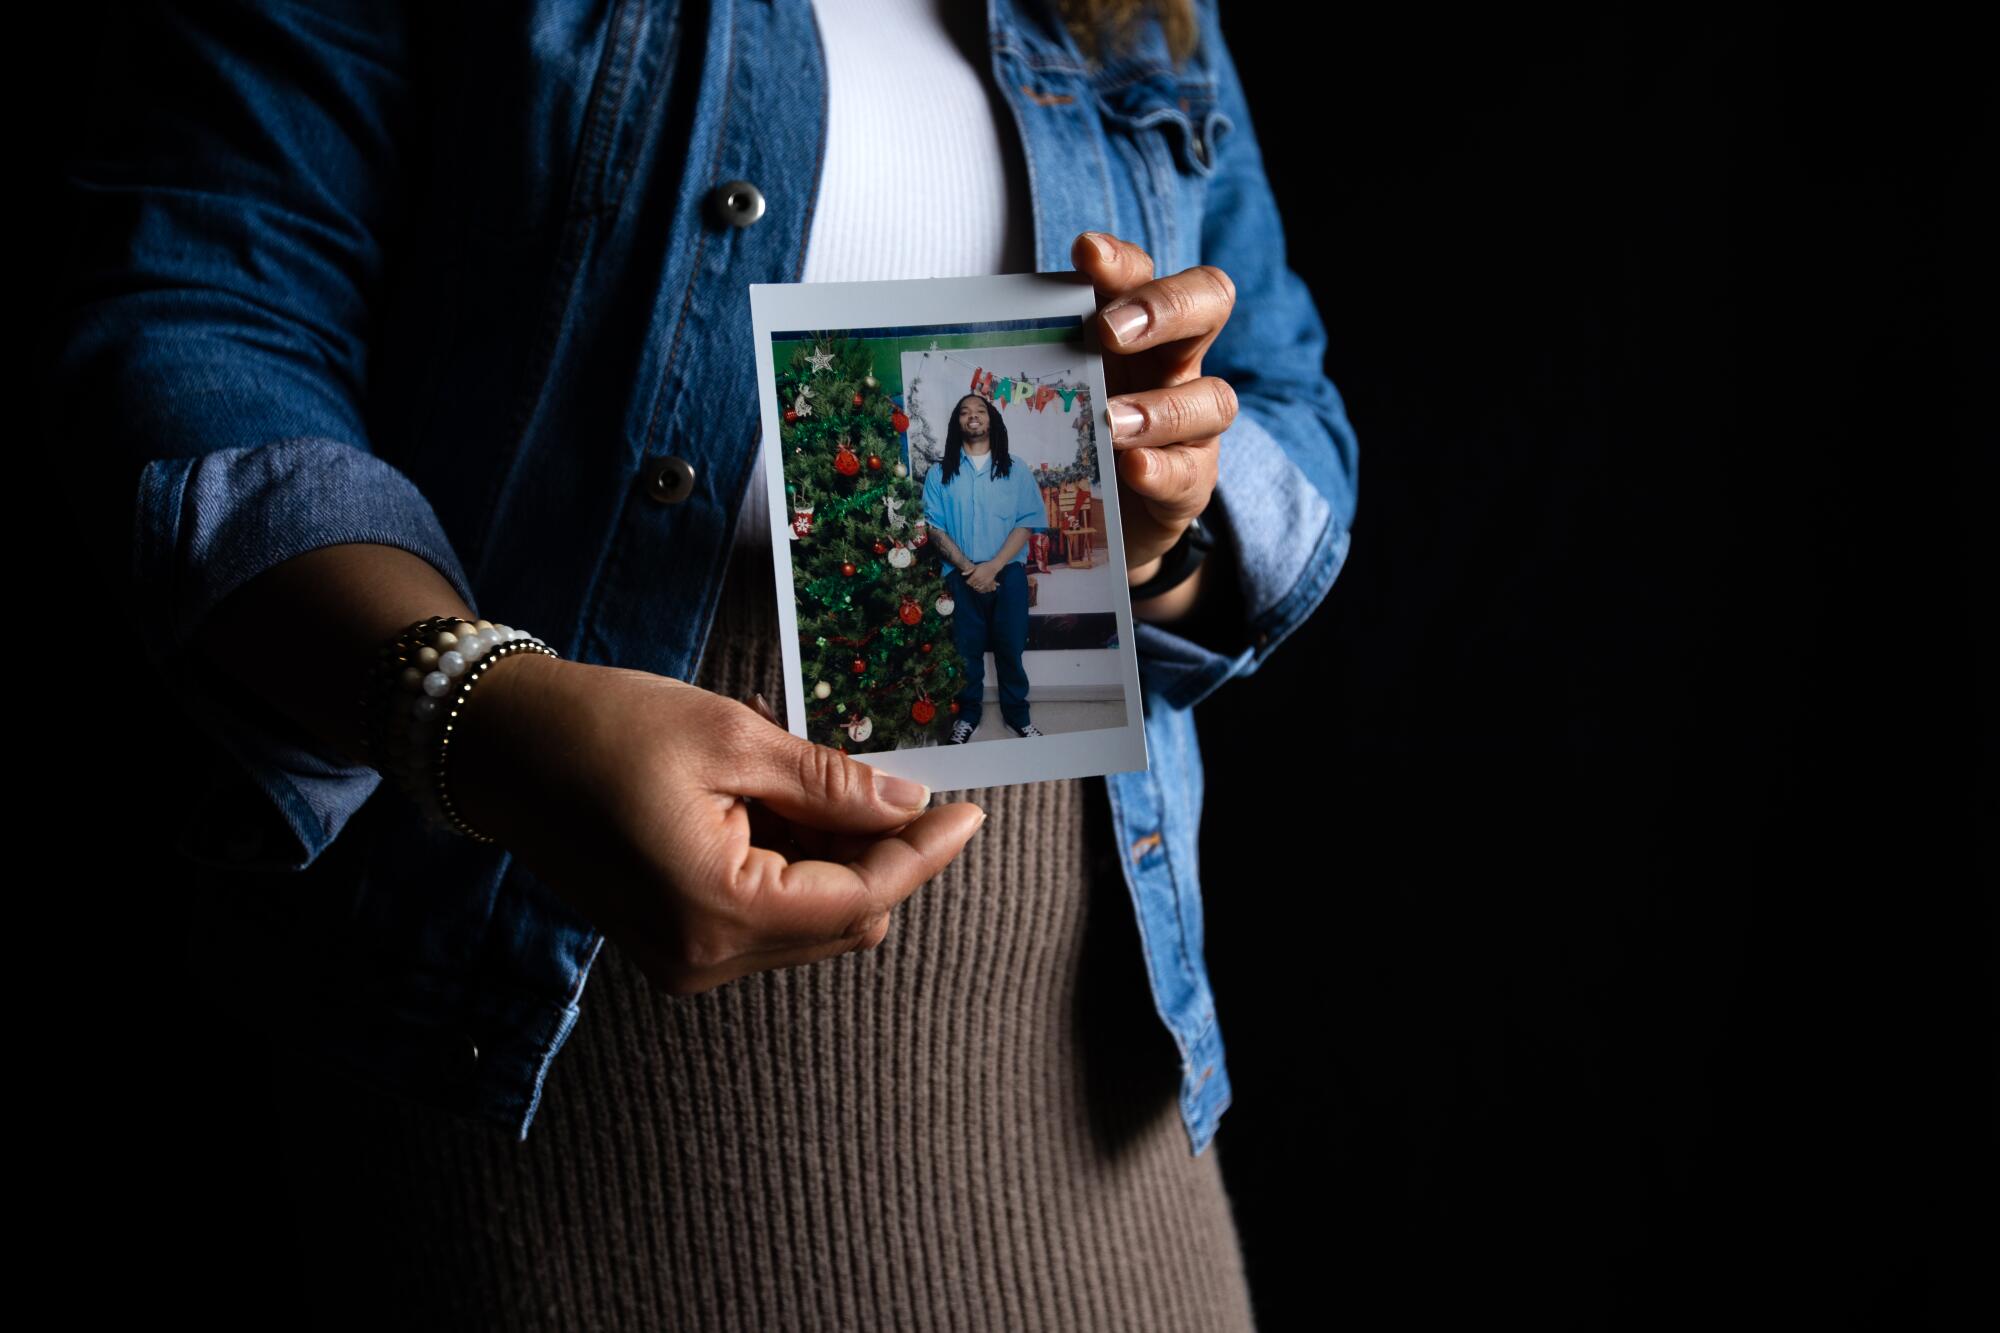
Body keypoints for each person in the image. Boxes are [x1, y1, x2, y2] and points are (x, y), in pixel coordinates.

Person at [57, 0, 1359, 1327]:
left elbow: (1282, 400)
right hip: (546, 1057)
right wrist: (478, 709)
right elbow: (204, 327)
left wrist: (1157, 526)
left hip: (1076, 1085)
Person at [921, 391, 1052, 742]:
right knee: (966, 653)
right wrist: (969, 569)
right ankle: (968, 716)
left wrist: (992, 567)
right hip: (959, 576)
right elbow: (934, 528)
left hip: (1006, 573)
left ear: (991, 419)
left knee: (1010, 649)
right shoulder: (940, 474)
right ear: (957, 423)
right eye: (964, 412)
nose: (972, 416)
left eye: (979, 410)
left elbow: (1027, 522)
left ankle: (1018, 717)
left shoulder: (1016, 468)